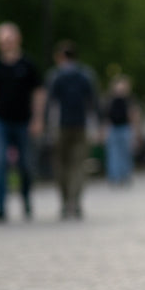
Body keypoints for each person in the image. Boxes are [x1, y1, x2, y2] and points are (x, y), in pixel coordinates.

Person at [0, 23, 44, 223]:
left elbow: (38, 93)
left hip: (24, 121)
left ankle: (26, 199)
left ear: (18, 39)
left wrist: (37, 119)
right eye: (2, 40)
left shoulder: (28, 64)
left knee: (26, 164)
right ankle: (0, 207)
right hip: (0, 122)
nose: (6, 43)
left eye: (9, 39)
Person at [46, 41, 98, 219]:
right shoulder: (86, 75)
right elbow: (93, 102)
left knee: (61, 164)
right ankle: (75, 201)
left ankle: (64, 200)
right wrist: (98, 124)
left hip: (60, 126)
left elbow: (50, 103)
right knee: (78, 165)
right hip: (81, 126)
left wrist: (46, 125)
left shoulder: (55, 76)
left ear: (60, 56)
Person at [104, 76, 138, 185]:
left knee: (125, 153)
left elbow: (133, 115)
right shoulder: (110, 101)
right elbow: (107, 117)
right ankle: (115, 176)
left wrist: (134, 130)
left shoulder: (129, 100)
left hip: (125, 128)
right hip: (113, 129)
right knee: (113, 154)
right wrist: (105, 130)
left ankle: (125, 175)